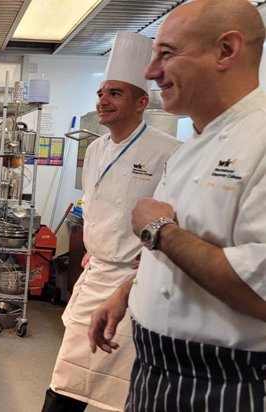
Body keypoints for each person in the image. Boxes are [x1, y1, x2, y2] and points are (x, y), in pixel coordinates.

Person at [88, 0, 266, 411]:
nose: (152, 72)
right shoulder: (191, 149)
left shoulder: (259, 141)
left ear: (227, 50)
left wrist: (159, 231)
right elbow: (195, 246)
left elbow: (259, 291)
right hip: (156, 370)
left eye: (166, 54)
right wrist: (127, 292)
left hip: (223, 383)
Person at [43, 32, 180, 412]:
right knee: (71, 373)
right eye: (101, 93)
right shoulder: (98, 147)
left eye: (115, 93)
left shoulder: (168, 151)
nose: (103, 101)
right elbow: (96, 205)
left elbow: (177, 217)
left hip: (132, 284)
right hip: (96, 273)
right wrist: (93, 246)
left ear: (141, 102)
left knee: (110, 385)